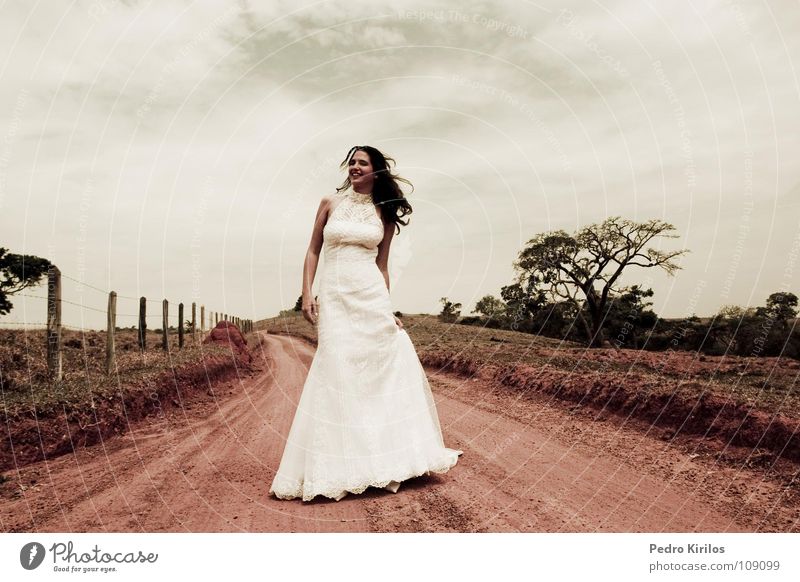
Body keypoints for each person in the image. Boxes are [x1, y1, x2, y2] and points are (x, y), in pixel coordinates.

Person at [268, 145, 463, 502]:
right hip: (336, 297)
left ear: (376, 171)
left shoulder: (383, 213)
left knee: (381, 364)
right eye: (352, 162)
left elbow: (382, 265)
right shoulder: (329, 203)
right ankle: (339, 464)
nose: (355, 167)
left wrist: (387, 309)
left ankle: (389, 454)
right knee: (337, 367)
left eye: (363, 163)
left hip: (370, 294)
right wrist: (307, 292)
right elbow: (313, 250)